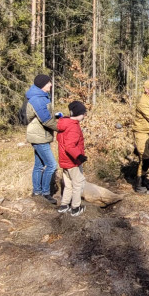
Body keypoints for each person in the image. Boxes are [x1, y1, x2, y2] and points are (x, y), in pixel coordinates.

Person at [25, 74, 59, 203]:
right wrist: (61, 128)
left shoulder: (42, 96)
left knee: (39, 165)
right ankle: (45, 193)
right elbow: (45, 120)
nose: (51, 85)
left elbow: (48, 114)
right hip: (39, 136)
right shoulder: (38, 99)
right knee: (51, 165)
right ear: (42, 85)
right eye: (49, 83)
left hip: (39, 135)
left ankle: (37, 192)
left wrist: (60, 116)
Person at [55, 101, 88, 216]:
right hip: (73, 161)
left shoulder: (64, 124)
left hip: (64, 161)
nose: (85, 116)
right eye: (84, 113)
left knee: (68, 184)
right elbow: (70, 146)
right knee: (78, 183)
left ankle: (64, 205)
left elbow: (61, 141)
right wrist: (79, 156)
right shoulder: (73, 127)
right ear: (79, 114)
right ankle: (75, 207)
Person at [131, 79, 149, 194]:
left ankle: (142, 180)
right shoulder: (142, 102)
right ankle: (138, 185)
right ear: (146, 89)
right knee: (145, 158)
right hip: (141, 132)